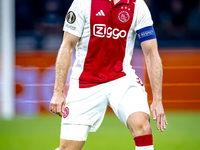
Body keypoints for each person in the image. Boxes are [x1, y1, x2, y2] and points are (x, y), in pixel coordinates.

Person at [49, 0, 168, 150]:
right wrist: (58, 92)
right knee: (69, 148)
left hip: (121, 78)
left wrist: (157, 100)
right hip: (85, 82)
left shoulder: (138, 5)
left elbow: (151, 52)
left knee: (142, 125)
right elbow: (67, 46)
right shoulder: (84, 2)